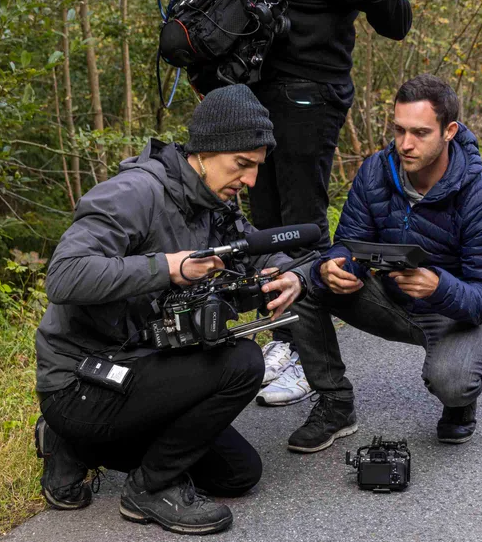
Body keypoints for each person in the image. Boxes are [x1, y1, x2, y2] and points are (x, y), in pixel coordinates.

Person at [187, 0, 413, 406]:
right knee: (260, 220)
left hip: (314, 93)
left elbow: (397, 22)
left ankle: (311, 364)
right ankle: (280, 339)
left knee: (303, 222)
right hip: (259, 85)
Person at [33, 85, 308, 535]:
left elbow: (254, 250)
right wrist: (167, 268)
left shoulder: (213, 202)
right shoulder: (135, 193)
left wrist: (289, 274)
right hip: (82, 379)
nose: (252, 180)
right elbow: (64, 276)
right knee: (242, 361)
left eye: (257, 167)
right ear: (205, 151)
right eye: (243, 164)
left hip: (148, 367)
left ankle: (75, 446)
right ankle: (145, 488)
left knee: (238, 475)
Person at [282, 75, 482, 453]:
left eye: (420, 133)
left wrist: (439, 287)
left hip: (453, 311)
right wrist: (336, 268)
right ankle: (336, 405)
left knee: (452, 382)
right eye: (399, 130)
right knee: (303, 280)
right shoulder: (375, 172)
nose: (405, 144)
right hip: (388, 299)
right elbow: (348, 243)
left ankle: (459, 403)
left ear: (449, 130)